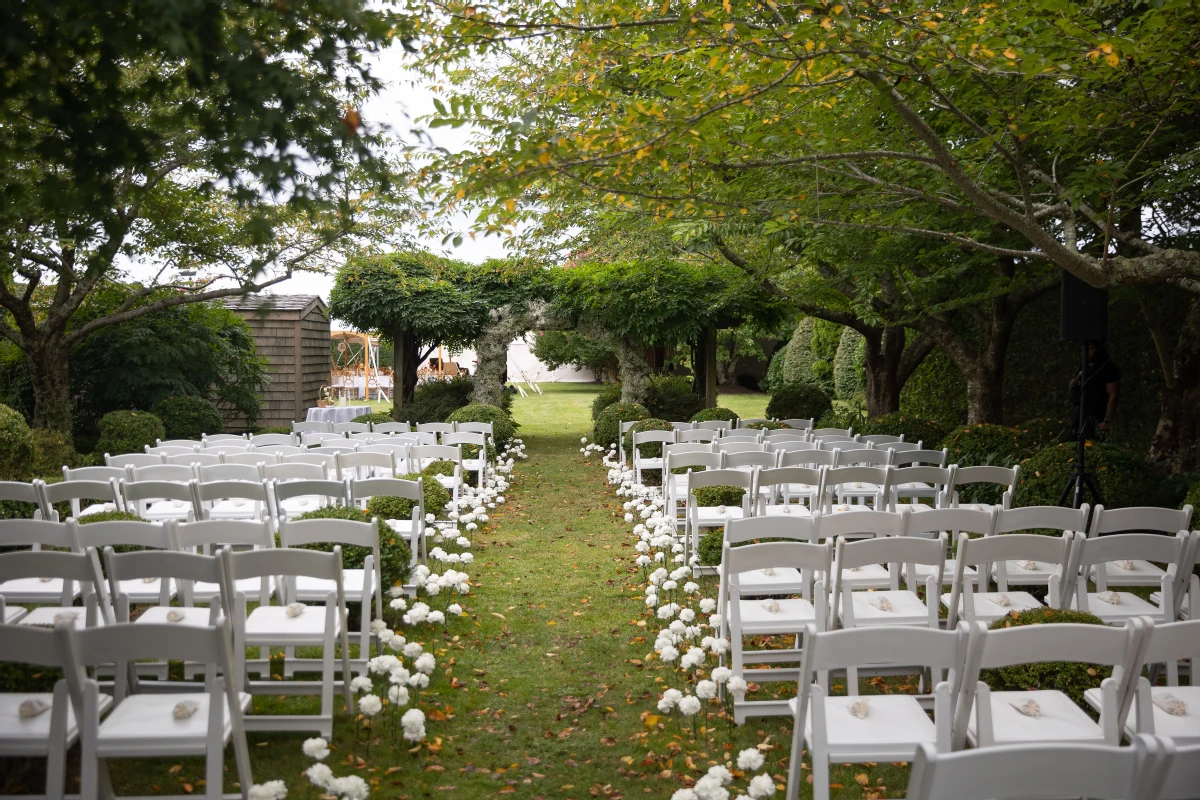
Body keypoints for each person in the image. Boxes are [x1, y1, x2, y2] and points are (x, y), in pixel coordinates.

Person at [1068, 341, 1120, 440]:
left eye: (1090, 349)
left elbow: (1113, 395)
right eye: (1083, 350)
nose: (1086, 352)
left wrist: (1106, 421)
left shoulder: (1108, 368)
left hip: (1098, 413)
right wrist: (1075, 384)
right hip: (1082, 410)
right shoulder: (1084, 366)